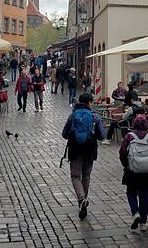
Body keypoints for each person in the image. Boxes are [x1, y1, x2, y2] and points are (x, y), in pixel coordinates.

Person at [61, 92, 107, 220]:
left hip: (75, 149)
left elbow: (64, 134)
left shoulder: (73, 115)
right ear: (89, 103)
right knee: (86, 175)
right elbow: (102, 136)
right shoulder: (94, 116)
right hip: (89, 150)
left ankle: (81, 199)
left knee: (75, 176)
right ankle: (83, 201)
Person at [119, 114, 148, 232]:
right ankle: (143, 223)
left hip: (132, 172)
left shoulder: (129, 137)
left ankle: (135, 212)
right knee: (145, 195)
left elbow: (122, 153)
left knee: (131, 192)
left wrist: (126, 165)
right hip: (147, 173)